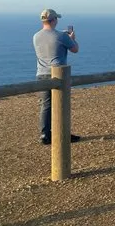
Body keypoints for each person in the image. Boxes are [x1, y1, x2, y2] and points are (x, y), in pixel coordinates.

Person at [32, 9, 80, 145]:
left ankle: (45, 134)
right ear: (54, 20)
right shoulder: (61, 36)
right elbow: (75, 49)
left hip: (41, 74)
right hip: (58, 74)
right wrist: (72, 39)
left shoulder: (36, 36)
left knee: (46, 105)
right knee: (61, 104)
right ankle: (63, 133)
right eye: (56, 19)